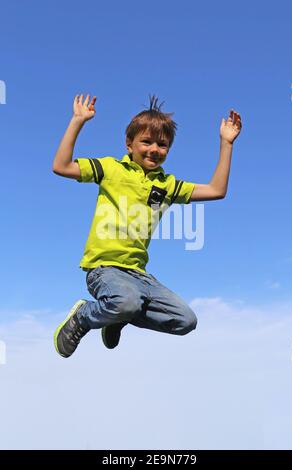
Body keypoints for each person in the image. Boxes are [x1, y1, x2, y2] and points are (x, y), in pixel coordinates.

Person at [52, 94, 242, 358]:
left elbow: (216, 190)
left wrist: (226, 143)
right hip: (104, 270)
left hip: (140, 277)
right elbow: (61, 166)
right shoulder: (111, 169)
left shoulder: (167, 185)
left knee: (185, 320)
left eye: (162, 145)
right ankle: (84, 316)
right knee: (125, 302)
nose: (155, 149)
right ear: (129, 144)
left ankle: (117, 316)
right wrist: (77, 121)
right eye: (146, 142)